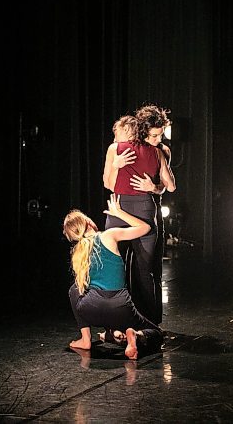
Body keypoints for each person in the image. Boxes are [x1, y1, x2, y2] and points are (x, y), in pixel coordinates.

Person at [63, 193, 164, 360]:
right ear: (89, 222)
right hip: (120, 307)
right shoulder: (109, 235)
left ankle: (86, 338)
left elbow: (79, 291)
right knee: (156, 333)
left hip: (90, 309)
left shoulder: (77, 253)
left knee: (74, 290)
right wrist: (119, 213)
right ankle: (136, 335)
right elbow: (145, 228)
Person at [103, 105, 176, 324]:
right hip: (138, 208)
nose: (158, 138)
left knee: (145, 267)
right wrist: (116, 165)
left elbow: (165, 188)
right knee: (129, 266)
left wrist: (152, 186)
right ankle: (128, 318)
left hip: (141, 205)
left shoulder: (160, 150)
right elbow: (109, 182)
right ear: (143, 131)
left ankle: (147, 320)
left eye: (160, 134)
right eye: (154, 134)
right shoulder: (147, 151)